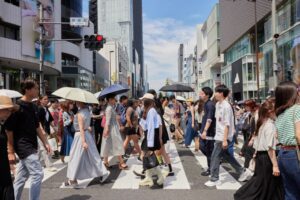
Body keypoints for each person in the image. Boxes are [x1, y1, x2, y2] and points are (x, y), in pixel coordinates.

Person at [6, 79, 51, 200]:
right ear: (27, 90)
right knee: (37, 174)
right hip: (23, 146)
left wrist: (45, 142)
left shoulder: (33, 106)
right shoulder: (17, 107)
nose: (38, 90)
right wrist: (10, 151)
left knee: (20, 179)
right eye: (36, 88)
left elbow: (37, 126)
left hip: (32, 145)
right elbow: (9, 130)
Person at [234, 99, 284, 200]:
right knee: (265, 183)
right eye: (276, 110)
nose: (278, 113)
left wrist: (255, 154)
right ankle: (243, 196)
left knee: (262, 182)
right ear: (270, 112)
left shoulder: (262, 124)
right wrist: (275, 165)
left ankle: (242, 195)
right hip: (267, 158)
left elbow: (258, 143)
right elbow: (270, 148)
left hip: (261, 157)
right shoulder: (270, 125)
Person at [205, 85, 243, 187]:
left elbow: (227, 124)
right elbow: (218, 121)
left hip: (223, 136)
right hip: (219, 135)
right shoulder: (218, 104)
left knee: (215, 157)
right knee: (226, 156)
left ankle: (214, 178)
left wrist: (225, 139)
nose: (215, 94)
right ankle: (242, 171)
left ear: (221, 93)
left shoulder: (226, 106)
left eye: (216, 92)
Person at [64, 101, 110, 187]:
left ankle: (73, 179)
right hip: (86, 135)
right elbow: (86, 125)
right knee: (93, 156)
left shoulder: (80, 113)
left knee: (75, 157)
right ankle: (102, 172)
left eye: (77, 102)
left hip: (80, 136)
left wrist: (83, 141)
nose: (75, 103)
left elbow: (81, 128)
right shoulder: (87, 111)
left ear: (80, 103)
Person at [274, 81, 300, 200]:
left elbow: (277, 137)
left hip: (283, 155)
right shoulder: (297, 109)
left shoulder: (280, 114)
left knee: (290, 192)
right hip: (295, 154)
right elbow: (299, 135)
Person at [139, 93, 165, 189]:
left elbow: (150, 127)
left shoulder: (152, 111)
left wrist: (150, 143)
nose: (141, 102)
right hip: (150, 136)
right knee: (147, 157)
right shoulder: (149, 111)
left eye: (143, 100)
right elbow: (146, 126)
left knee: (149, 157)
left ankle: (160, 176)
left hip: (151, 137)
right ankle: (148, 177)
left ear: (147, 102)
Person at [101, 94, 127, 170]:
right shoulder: (109, 108)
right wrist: (106, 130)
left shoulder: (111, 107)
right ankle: (121, 162)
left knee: (108, 145)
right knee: (117, 144)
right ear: (109, 100)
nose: (115, 100)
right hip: (111, 129)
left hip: (112, 128)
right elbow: (108, 121)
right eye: (113, 99)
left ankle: (106, 162)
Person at [0, 95, 19, 200]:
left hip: (4, 168)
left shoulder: (2, 125)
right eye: (7, 110)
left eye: (11, 110)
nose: (9, 113)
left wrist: (9, 154)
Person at [199, 87, 216, 177]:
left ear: (207, 95)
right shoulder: (206, 104)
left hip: (209, 132)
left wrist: (205, 131)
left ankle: (211, 168)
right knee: (203, 147)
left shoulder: (210, 105)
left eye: (202, 93)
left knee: (208, 149)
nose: (200, 94)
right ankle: (214, 162)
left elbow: (209, 119)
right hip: (205, 130)